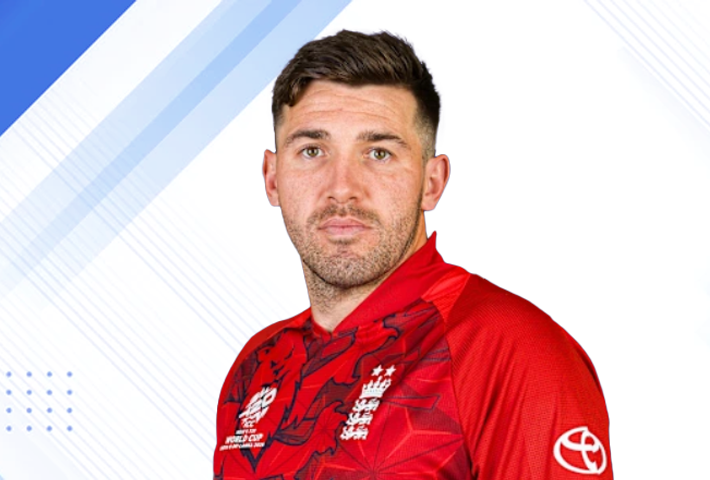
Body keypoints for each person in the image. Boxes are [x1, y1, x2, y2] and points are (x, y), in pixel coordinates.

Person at [213, 30, 613, 479]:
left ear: (432, 182)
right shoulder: (257, 366)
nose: (342, 187)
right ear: (272, 178)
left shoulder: (507, 349)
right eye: (312, 151)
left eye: (379, 153)